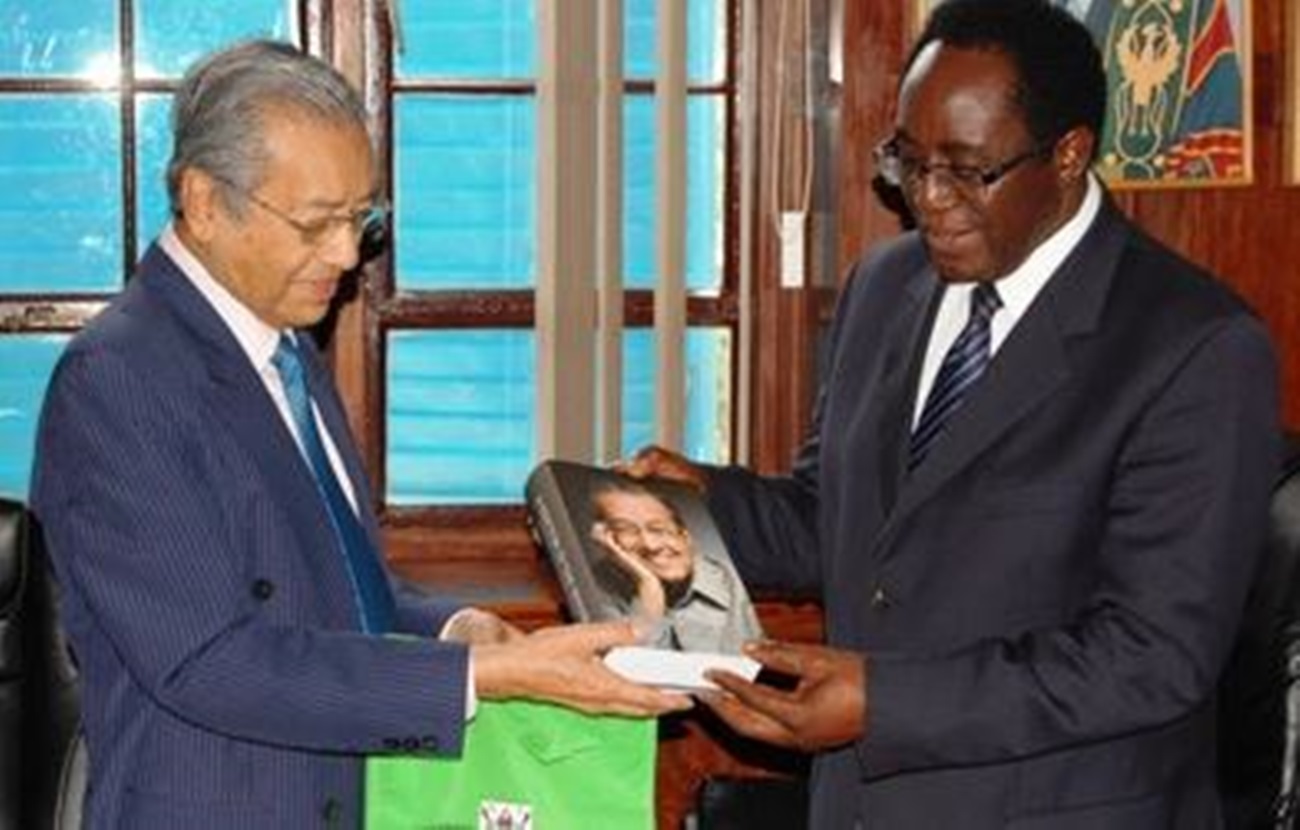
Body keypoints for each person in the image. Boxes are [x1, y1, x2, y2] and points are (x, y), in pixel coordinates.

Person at [622, 1, 1280, 827]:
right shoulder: (885, 287)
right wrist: (700, 505)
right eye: (908, 159)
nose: (927, 198)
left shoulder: (1194, 347)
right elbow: (843, 522)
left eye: (967, 170)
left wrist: (885, 704)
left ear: (1070, 155)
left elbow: (1151, 656)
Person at [30, 40, 688, 829]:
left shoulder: (282, 345)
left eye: (360, 218)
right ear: (203, 202)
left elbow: (328, 584)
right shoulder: (122, 377)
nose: (346, 255)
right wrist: (487, 674)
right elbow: (207, 660)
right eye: (315, 224)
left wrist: (454, 627)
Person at [588, 477, 762, 653]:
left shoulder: (728, 581)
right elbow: (628, 670)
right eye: (625, 530)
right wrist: (649, 586)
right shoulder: (598, 588)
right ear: (607, 541)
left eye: (658, 529)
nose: (650, 544)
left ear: (686, 537)